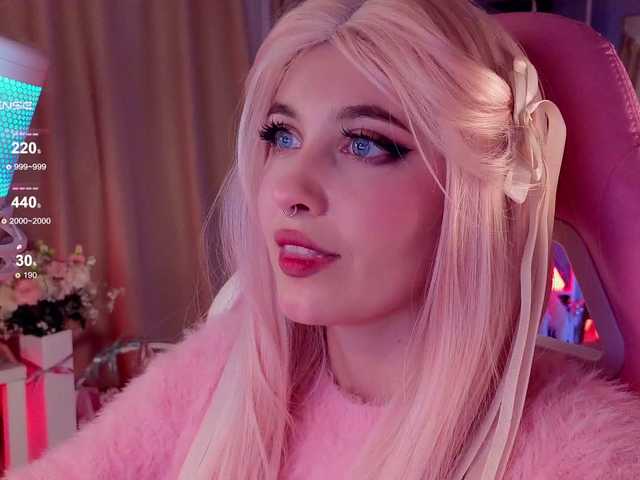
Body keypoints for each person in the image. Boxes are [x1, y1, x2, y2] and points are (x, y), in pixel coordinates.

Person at [4, 0, 640, 479]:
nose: (289, 188)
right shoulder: (226, 365)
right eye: (282, 136)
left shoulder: (580, 454)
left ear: (471, 195)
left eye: (364, 144)